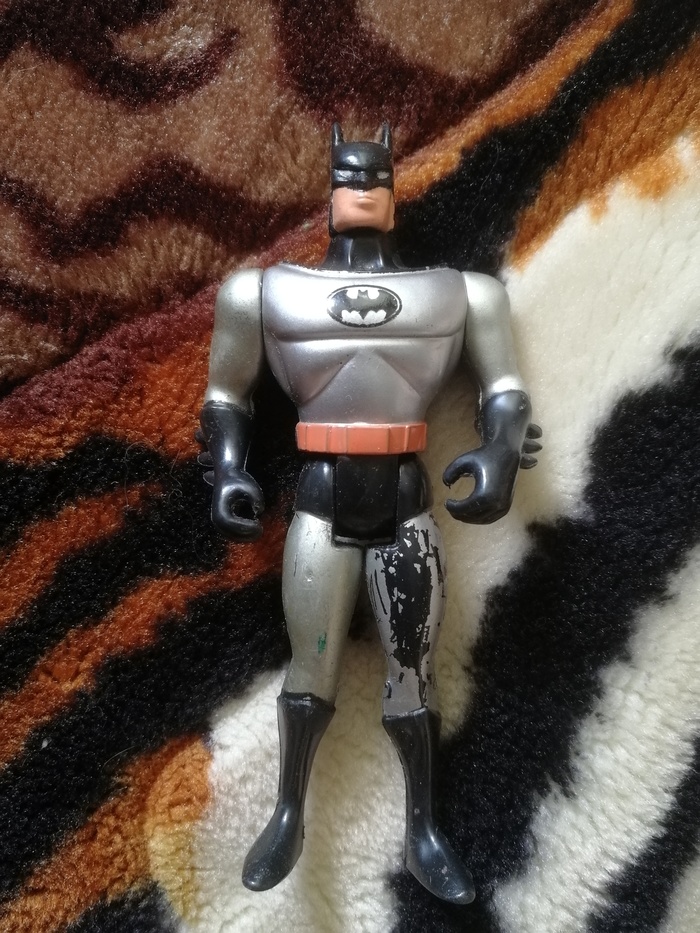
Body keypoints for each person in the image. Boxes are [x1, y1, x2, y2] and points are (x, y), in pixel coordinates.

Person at [199, 123, 540, 904]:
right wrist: (227, 469)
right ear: (330, 190)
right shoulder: (264, 294)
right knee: (311, 666)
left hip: (405, 498)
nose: (360, 188)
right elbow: (225, 394)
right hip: (320, 496)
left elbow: (505, 391)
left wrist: (499, 450)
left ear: (390, 190)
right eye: (348, 177)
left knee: (411, 674)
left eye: (374, 176)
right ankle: (288, 811)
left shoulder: (461, 294)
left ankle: (424, 828)